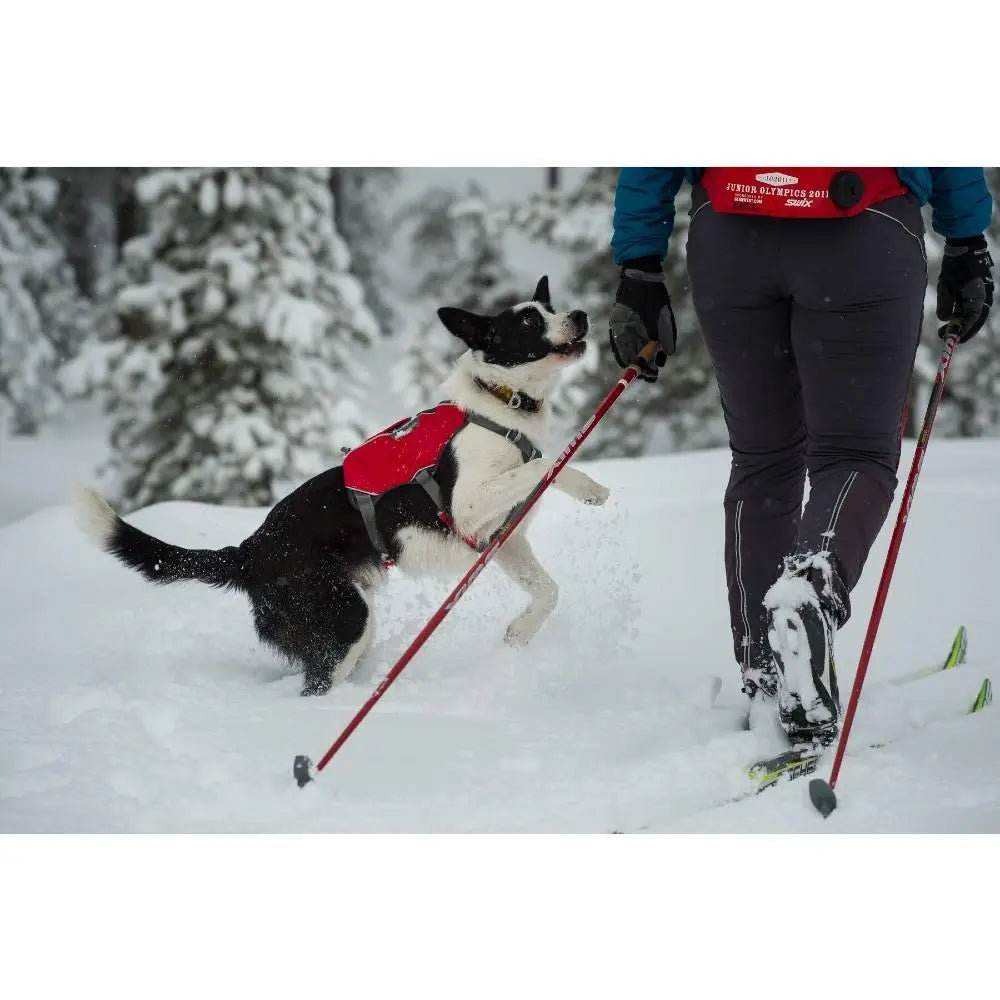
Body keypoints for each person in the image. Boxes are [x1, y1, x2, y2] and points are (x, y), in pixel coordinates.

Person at [608, 167, 995, 748]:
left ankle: (767, 673)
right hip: (862, 230)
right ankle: (811, 587)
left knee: (761, 459)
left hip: (734, 239)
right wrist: (966, 241)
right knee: (856, 452)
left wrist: (638, 266)